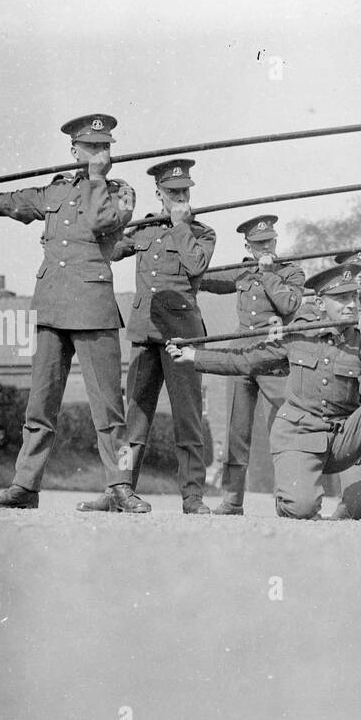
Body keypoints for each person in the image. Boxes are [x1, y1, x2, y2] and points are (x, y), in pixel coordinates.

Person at [0, 113, 142, 511]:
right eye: (92, 147)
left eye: (106, 147)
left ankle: (120, 487)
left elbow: (102, 223)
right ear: (74, 150)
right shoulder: (54, 191)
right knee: (40, 405)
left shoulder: (120, 192)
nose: (101, 153)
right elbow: (10, 203)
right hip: (50, 307)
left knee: (110, 409)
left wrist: (97, 178)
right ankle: (25, 487)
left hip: (94, 310)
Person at [169, 264, 361, 522]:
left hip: (342, 439)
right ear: (322, 303)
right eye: (342, 298)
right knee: (301, 510)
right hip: (299, 436)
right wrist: (195, 356)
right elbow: (246, 360)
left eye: (355, 298)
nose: (351, 305)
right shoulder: (298, 334)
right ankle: (290, 494)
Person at [106, 158, 218, 514]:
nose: (180, 197)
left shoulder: (202, 232)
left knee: (188, 421)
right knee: (133, 421)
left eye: (185, 191)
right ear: (159, 193)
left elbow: (197, 266)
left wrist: (180, 226)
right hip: (144, 333)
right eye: (172, 192)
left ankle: (193, 498)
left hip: (181, 338)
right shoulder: (142, 229)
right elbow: (107, 250)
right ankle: (119, 489)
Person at [198, 214, 307, 514]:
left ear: (276, 240)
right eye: (258, 245)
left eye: (269, 241)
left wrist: (269, 274)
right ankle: (232, 500)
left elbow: (289, 305)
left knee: (286, 426)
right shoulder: (241, 273)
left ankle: (289, 499)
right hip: (242, 357)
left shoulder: (292, 272)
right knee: (237, 429)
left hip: (275, 359)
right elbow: (204, 278)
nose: (265, 248)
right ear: (248, 246)